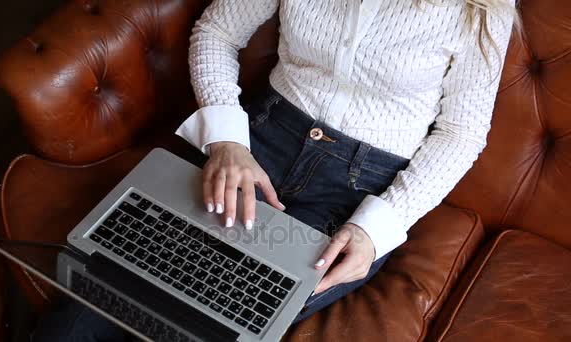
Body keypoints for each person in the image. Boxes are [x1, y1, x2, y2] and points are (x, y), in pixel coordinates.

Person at [33, 0, 518, 340]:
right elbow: (217, 32)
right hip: (261, 138)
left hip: (357, 188)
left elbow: (461, 134)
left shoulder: (480, 8)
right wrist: (226, 140)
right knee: (114, 274)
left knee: (225, 308)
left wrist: (377, 229)